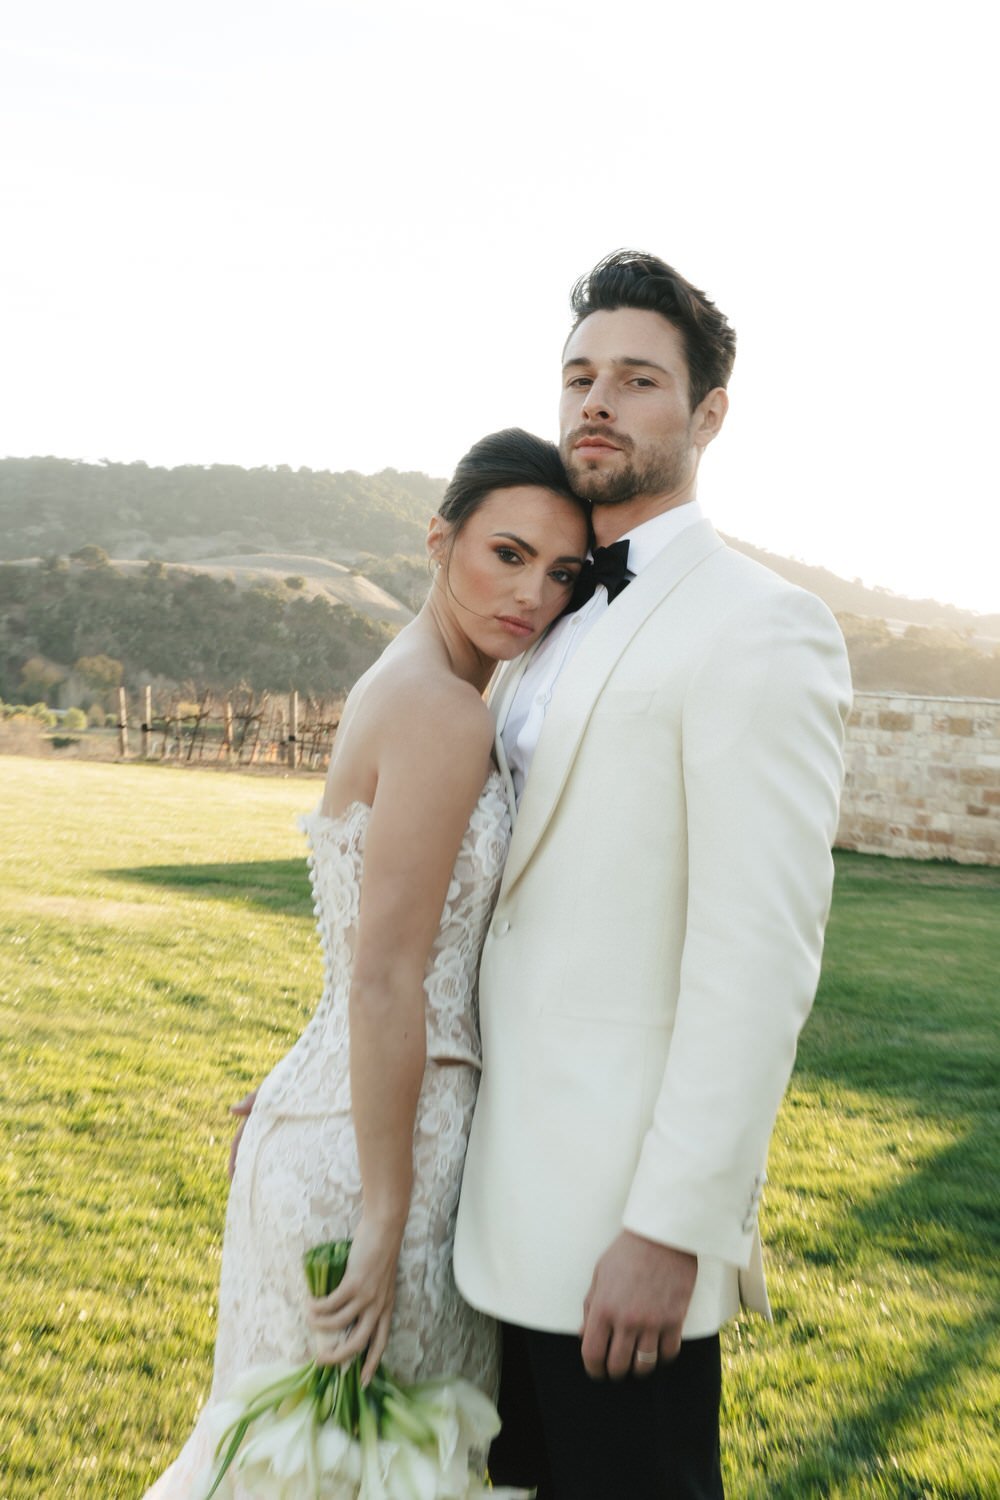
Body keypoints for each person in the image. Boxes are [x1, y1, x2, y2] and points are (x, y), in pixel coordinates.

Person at [454, 252, 853, 1498]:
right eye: (580, 375)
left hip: (619, 1229)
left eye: (636, 379)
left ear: (708, 414)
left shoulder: (758, 626)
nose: (597, 403)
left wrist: (677, 1225)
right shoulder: (539, 620)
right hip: (485, 1205)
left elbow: (758, 954)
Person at [142, 429, 590, 1498]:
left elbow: (369, 959)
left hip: (340, 1116)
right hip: (387, 1160)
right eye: (507, 554)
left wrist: (309, 1077)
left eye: (562, 572)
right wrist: (385, 1217)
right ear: (438, 539)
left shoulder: (409, 681)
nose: (532, 594)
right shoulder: (442, 713)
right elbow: (388, 976)